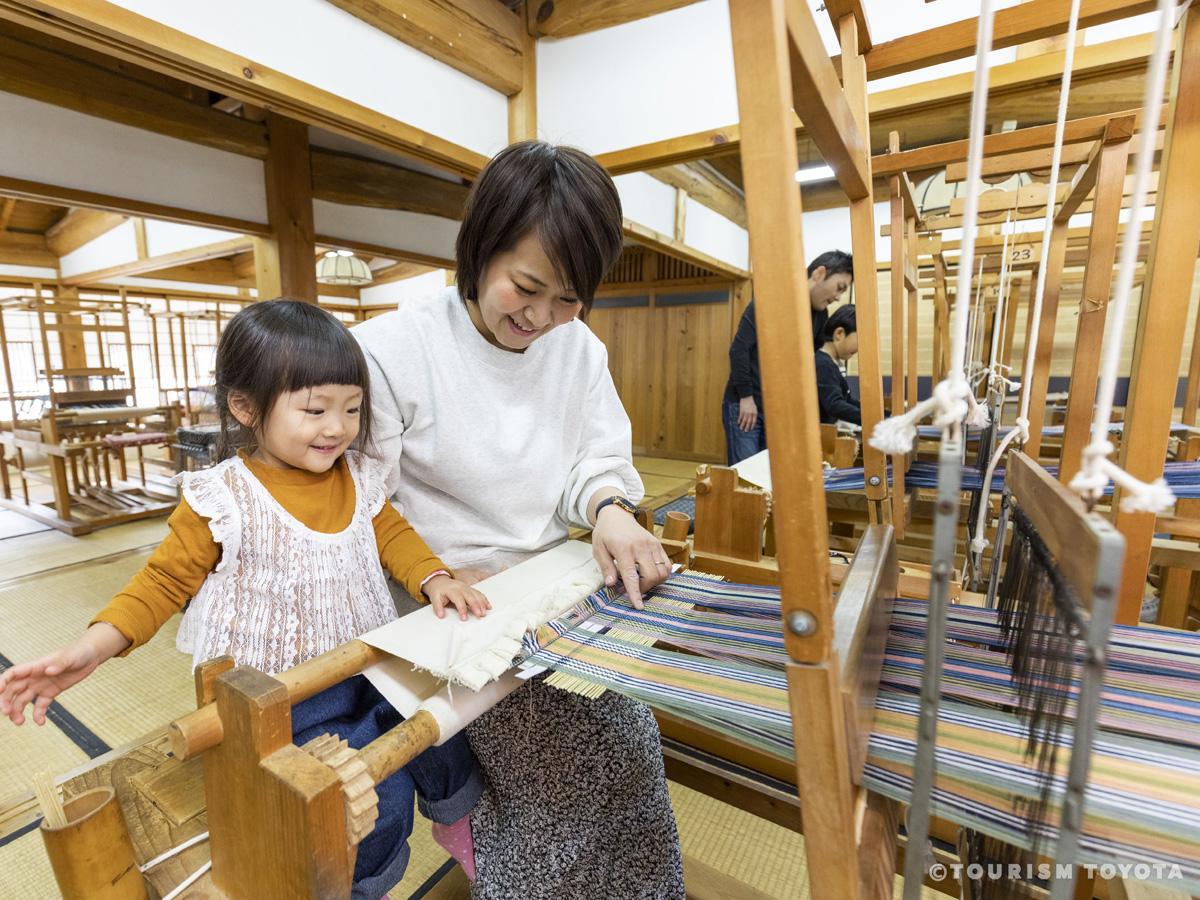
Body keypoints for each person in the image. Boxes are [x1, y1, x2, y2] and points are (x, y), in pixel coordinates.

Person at [0, 301, 489, 900]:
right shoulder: (224, 497)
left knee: (442, 722)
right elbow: (161, 583)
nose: (337, 428)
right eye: (315, 410)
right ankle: (367, 886)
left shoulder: (357, 478)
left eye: (352, 409)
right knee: (369, 794)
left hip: (364, 663)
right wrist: (90, 649)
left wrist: (435, 579)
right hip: (278, 700)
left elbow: (393, 536)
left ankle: (458, 823)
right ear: (245, 408)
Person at [353, 141, 684, 899]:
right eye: (527, 288)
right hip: (445, 613)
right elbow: (363, 505)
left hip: (548, 598)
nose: (541, 318)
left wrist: (609, 509)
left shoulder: (577, 349)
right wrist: (435, 572)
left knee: (634, 745)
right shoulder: (392, 350)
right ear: (480, 246)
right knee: (558, 780)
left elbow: (594, 458)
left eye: (568, 299)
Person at [722, 249, 854, 464]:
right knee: (747, 475)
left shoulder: (820, 316)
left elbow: (808, 362)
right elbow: (739, 349)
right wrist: (746, 397)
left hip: (778, 409)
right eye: (839, 287)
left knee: (772, 474)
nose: (838, 297)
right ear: (819, 273)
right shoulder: (772, 299)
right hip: (745, 403)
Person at [816, 303, 861, 426]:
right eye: (860, 339)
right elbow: (835, 405)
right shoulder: (823, 364)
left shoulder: (835, 363)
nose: (860, 347)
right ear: (839, 334)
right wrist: (868, 418)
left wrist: (880, 414)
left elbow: (846, 400)